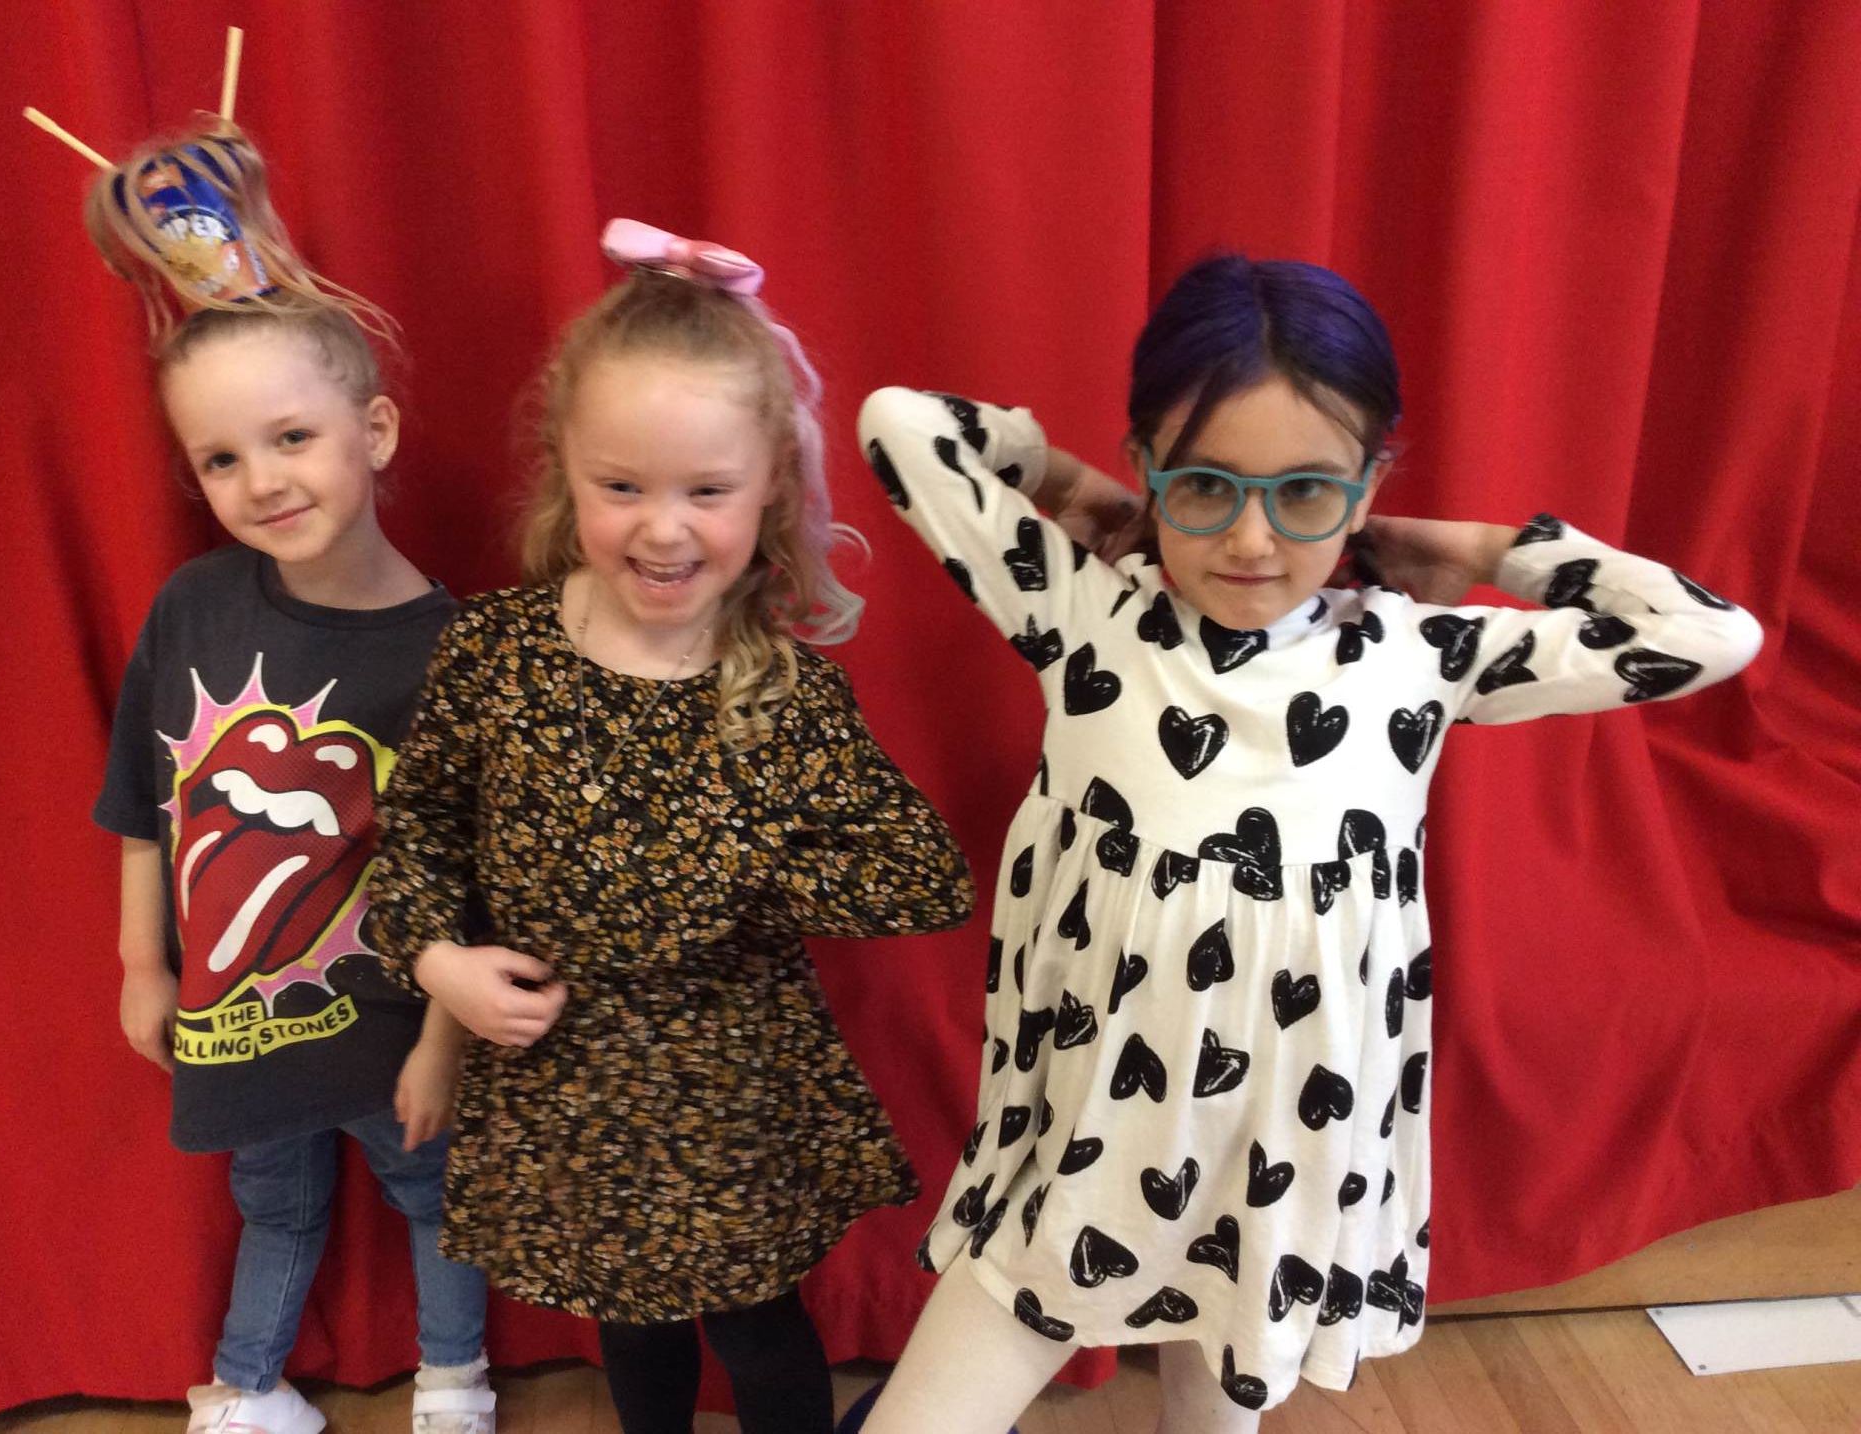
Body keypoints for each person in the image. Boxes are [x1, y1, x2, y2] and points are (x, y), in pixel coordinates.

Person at [853, 253, 1763, 1432]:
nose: (1252, 538)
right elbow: (902, 426)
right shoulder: (1084, 616)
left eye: (1307, 493)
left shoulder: (1419, 657)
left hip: (1279, 1161)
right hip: (1090, 1141)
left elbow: (1710, 635)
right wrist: (1084, 492)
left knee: (1216, 1401)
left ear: (1370, 485)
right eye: (1205, 486)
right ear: (1149, 464)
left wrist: (1489, 552)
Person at [362, 220, 976, 1434]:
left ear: (770, 488)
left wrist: (738, 866)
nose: (663, 529)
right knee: (630, 1328)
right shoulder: (494, 653)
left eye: (707, 491)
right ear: (564, 469)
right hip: (565, 1088)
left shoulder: (785, 693)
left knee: (754, 1329)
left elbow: (925, 877)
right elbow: (420, 835)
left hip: (730, 1094)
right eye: (623, 487)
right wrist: (440, 972)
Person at [85, 124, 493, 1434]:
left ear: (374, 430)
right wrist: (142, 967)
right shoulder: (191, 606)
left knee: (433, 1193)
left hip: (394, 1016)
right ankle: (251, 1391)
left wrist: (444, 1036)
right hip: (239, 1013)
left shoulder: (453, 648)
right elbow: (142, 808)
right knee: (272, 1198)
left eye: (293, 437)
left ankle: (454, 1385)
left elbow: (473, 876)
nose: (261, 481)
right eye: (220, 459)